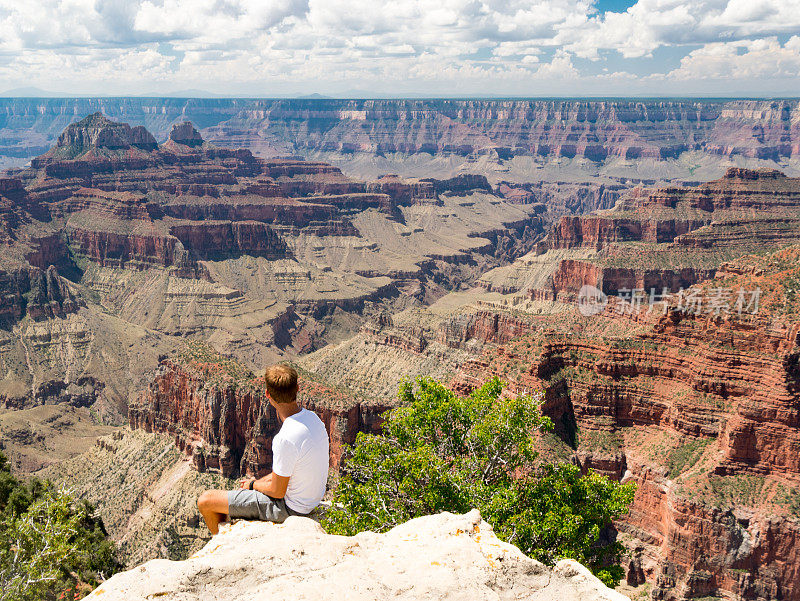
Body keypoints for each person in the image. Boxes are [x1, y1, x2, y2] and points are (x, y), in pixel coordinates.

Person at [197, 364, 329, 535]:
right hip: (311, 501)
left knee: (206, 501)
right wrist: (261, 483)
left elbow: (277, 491)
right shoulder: (314, 418)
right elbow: (290, 472)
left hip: (291, 509)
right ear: (297, 388)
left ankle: (219, 542)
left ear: (267, 394)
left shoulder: (285, 437)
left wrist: (253, 484)